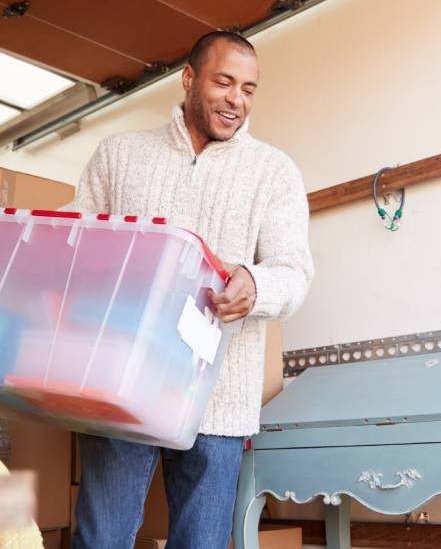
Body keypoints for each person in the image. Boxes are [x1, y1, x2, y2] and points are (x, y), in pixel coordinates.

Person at [67, 31, 314, 549]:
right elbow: (77, 243)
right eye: (223, 82)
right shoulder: (119, 156)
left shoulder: (274, 172)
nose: (236, 100)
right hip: (122, 385)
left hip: (220, 397)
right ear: (188, 79)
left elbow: (294, 272)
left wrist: (254, 283)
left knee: (200, 543)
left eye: (248, 89)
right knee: (100, 539)